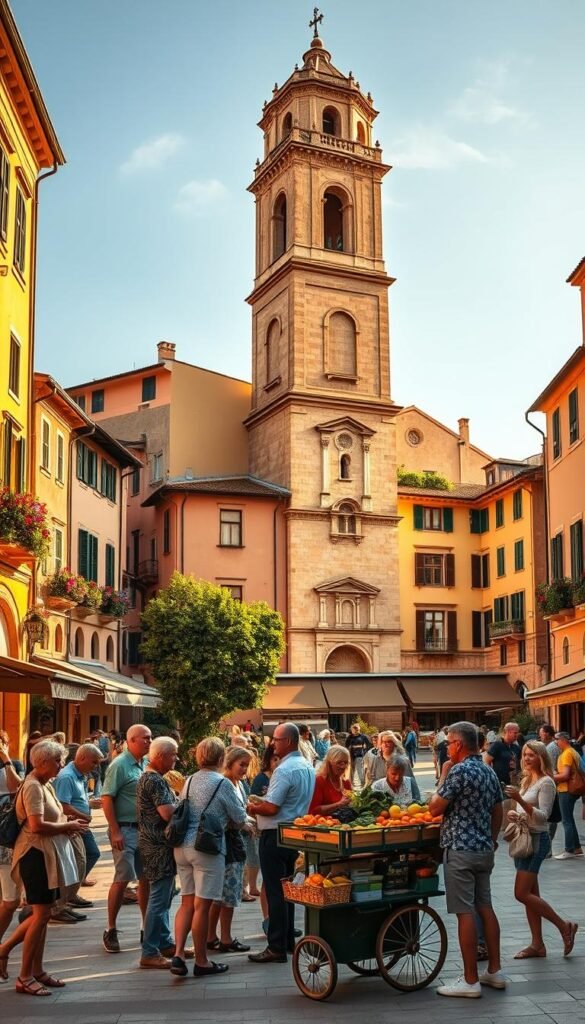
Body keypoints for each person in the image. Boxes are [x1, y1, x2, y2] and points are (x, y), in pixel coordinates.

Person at [0, 739, 88, 995]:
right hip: (33, 854)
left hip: (44, 854)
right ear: (43, 762)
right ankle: (24, 975)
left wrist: (65, 822)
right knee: (40, 915)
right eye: (58, 760)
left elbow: (50, 817)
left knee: (44, 914)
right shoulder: (32, 787)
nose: (62, 764)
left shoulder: (45, 783)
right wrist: (67, 826)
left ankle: (36, 970)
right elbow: (36, 825)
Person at [429, 721, 505, 998]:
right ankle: (495, 970)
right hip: (484, 849)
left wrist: (443, 776)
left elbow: (434, 808)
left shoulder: (458, 771)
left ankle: (470, 979)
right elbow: (498, 810)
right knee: (485, 906)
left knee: (465, 913)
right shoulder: (487, 770)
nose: (446, 747)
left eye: (448, 742)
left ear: (458, 743)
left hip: (460, 850)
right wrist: (492, 839)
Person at [172, 737, 248, 978]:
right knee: (202, 907)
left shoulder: (190, 780)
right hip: (206, 847)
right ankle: (202, 961)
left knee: (186, 903)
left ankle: (178, 954)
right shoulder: (222, 783)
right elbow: (238, 816)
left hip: (182, 846)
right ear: (221, 758)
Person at [247, 722, 315, 964]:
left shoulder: (284, 769)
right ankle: (286, 941)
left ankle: (276, 946)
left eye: (275, 739)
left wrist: (252, 806)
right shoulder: (306, 765)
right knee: (288, 890)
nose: (271, 743)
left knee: (276, 891)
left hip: (275, 834)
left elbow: (272, 806)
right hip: (294, 833)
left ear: (287, 741)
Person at [504, 740, 578, 958]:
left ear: (541, 757)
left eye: (532, 755)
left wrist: (518, 799)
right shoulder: (527, 780)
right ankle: (537, 945)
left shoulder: (546, 782)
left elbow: (543, 816)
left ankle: (564, 926)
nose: (527, 758)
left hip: (536, 840)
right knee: (531, 894)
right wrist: (514, 812)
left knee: (521, 893)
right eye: (525, 755)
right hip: (523, 838)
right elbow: (526, 811)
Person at [101, 723, 152, 953]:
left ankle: (145, 926)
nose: (149, 742)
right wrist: (115, 830)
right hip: (125, 829)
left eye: (150, 738)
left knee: (145, 878)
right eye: (145, 738)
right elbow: (106, 798)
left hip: (143, 830)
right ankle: (110, 928)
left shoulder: (143, 763)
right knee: (122, 878)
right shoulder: (119, 765)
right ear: (131, 740)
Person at [135, 736, 179, 969]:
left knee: (164, 896)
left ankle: (164, 943)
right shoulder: (155, 780)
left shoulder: (150, 777)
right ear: (161, 756)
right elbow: (167, 813)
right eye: (173, 754)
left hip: (154, 845)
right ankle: (150, 951)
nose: (176, 759)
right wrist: (184, 804)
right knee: (159, 900)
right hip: (158, 847)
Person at [207, 747, 255, 954]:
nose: (244, 769)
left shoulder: (239, 783)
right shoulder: (225, 782)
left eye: (246, 765)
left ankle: (214, 936)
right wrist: (246, 823)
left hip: (233, 843)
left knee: (225, 895)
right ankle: (222, 938)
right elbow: (236, 817)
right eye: (241, 764)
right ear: (229, 762)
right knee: (225, 896)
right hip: (227, 843)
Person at [53, 742, 103, 900]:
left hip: (78, 823)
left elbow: (74, 799)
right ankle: (66, 896)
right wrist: (84, 815)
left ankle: (71, 892)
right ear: (82, 758)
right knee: (87, 855)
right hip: (72, 824)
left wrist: (89, 804)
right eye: (93, 762)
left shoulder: (80, 774)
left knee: (86, 856)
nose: (95, 766)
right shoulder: (67, 776)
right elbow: (63, 805)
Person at [249, 744, 279, 933]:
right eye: (275, 759)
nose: (278, 762)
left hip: (276, 829)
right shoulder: (261, 779)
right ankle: (268, 919)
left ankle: (278, 919)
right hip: (262, 831)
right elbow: (254, 802)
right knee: (268, 880)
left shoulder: (282, 776)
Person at [0, 731, 24, 961]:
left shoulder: (14, 764)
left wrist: (6, 758)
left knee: (10, 900)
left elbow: (16, 787)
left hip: (6, 839)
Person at [363, 731, 422, 800]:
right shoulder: (375, 759)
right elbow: (371, 778)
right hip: (381, 795)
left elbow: (410, 781)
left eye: (388, 741)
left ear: (394, 743)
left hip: (400, 795)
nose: (385, 744)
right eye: (382, 742)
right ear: (380, 745)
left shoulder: (403, 760)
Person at [553, 732, 584, 859]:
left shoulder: (566, 754)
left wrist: (551, 776)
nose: (555, 742)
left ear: (562, 740)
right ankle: (576, 847)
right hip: (573, 789)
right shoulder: (573, 752)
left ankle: (569, 849)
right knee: (569, 819)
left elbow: (565, 775)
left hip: (566, 789)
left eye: (556, 740)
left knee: (566, 821)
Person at [309, 745, 351, 815]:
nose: (343, 766)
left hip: (343, 823)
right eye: (339, 762)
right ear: (329, 763)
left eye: (346, 763)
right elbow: (313, 811)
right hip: (323, 823)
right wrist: (339, 804)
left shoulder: (346, 782)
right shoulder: (319, 781)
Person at [484, 722, 521, 788]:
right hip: (499, 783)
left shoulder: (516, 747)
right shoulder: (497, 745)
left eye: (517, 733)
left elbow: (520, 763)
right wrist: (491, 778)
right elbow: (486, 762)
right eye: (515, 733)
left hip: (513, 782)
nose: (517, 735)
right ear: (507, 732)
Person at [345, 723, 372, 788]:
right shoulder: (349, 737)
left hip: (360, 755)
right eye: (353, 730)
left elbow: (368, 745)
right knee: (351, 770)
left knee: (360, 769)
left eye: (356, 730)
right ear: (351, 730)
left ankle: (362, 783)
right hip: (351, 755)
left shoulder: (363, 737)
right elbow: (346, 746)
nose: (355, 731)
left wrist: (364, 752)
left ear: (359, 729)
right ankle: (351, 784)